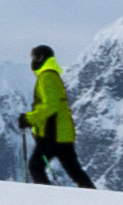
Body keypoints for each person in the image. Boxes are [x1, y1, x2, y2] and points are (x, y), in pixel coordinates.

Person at [19, 46, 94, 188]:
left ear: (40, 58)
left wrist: (29, 119)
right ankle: (94, 196)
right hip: (62, 133)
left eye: (34, 57)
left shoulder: (46, 77)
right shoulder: (53, 76)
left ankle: (46, 198)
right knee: (74, 171)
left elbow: (51, 106)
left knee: (36, 166)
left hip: (52, 133)